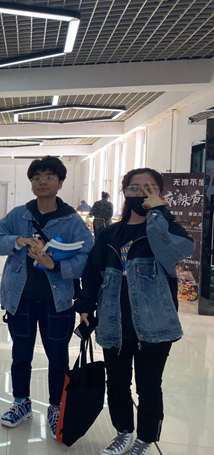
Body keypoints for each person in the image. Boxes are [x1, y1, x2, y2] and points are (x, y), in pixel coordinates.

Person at [76, 168, 194, 455]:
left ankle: (145, 439)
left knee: (149, 386)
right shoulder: (111, 234)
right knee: (117, 383)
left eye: (149, 187)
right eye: (134, 187)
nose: (141, 193)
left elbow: (175, 252)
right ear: (124, 192)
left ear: (160, 193)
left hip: (154, 323)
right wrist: (85, 306)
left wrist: (160, 213)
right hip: (114, 321)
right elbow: (93, 272)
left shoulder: (166, 230)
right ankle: (123, 432)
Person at [0, 156, 93, 439]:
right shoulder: (18, 215)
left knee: (57, 357)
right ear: (31, 183)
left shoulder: (72, 221)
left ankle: (56, 406)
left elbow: (87, 257)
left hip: (57, 300)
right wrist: (16, 241)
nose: (42, 182)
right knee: (20, 355)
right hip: (20, 297)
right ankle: (21, 402)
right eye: (37, 178)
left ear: (60, 183)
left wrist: (55, 265)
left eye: (49, 177)